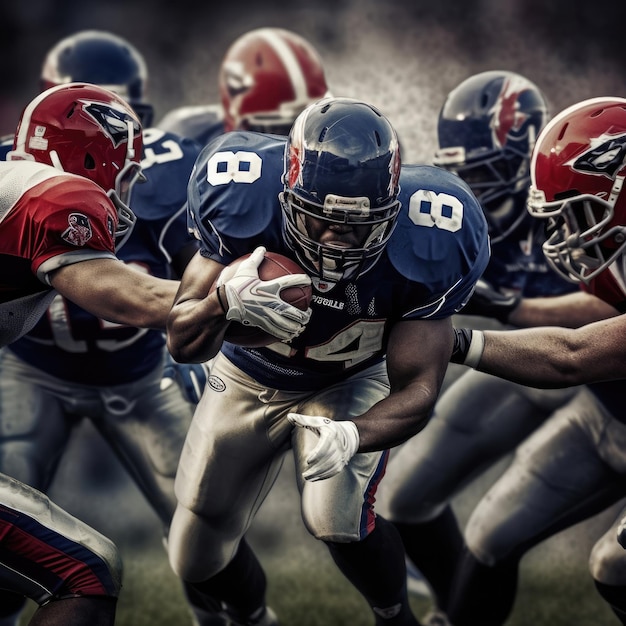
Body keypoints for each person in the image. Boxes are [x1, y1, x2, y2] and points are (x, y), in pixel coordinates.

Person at [165, 96, 490, 626]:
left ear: (391, 207)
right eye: (320, 220)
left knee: (335, 515)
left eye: (360, 225)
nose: (337, 239)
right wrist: (221, 304)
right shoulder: (240, 192)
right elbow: (182, 342)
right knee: (193, 551)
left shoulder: (434, 230)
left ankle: (395, 618)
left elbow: (419, 390)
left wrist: (355, 433)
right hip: (248, 373)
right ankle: (252, 618)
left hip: (349, 378)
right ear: (287, 196)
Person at [0, 30, 220, 626]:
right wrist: (235, 299)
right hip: (43, 374)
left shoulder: (13, 171)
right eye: (123, 172)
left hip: (133, 375)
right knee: (85, 574)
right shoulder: (61, 195)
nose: (130, 190)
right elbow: (135, 296)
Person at [379, 70, 581, 619]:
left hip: (592, 382)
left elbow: (611, 312)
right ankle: (456, 609)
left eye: (487, 170)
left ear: (523, 159)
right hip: (525, 366)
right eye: (464, 169)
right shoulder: (457, 215)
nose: (475, 184)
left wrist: (511, 306)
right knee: (402, 497)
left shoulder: (567, 197)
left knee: (500, 531)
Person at [443, 96, 626, 625]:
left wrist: (458, 344)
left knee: (616, 564)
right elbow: (606, 309)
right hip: (606, 415)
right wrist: (507, 306)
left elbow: (574, 356)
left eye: (579, 211)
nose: (568, 233)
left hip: (599, 393)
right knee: (489, 534)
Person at [156, 27, 330, 145]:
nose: (301, 139)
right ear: (239, 121)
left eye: (312, 121)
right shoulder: (186, 137)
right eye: (284, 129)